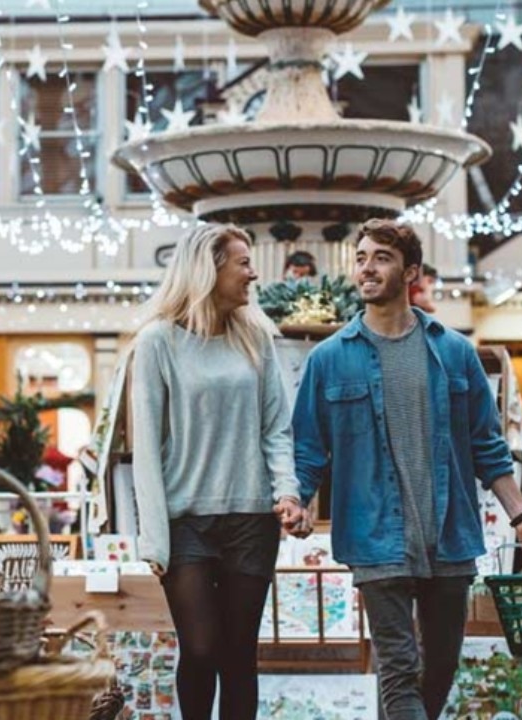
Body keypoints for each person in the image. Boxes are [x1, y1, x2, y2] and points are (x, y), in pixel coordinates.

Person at [275, 218, 522, 720]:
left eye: (380, 257)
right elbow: (308, 449)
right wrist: (296, 500)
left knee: (440, 667)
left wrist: (521, 515)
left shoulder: (454, 354)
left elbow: (488, 446)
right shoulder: (329, 360)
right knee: (398, 669)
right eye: (360, 258)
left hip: (449, 537)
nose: (367, 268)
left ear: (411, 272)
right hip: (375, 539)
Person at [132, 222, 305, 720]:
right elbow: (146, 446)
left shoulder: (255, 336)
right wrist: (154, 539)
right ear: (209, 268)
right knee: (201, 648)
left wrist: (287, 493)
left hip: (251, 519)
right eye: (243, 262)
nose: (254, 274)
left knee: (237, 657)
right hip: (186, 522)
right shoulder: (158, 342)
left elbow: (276, 427)